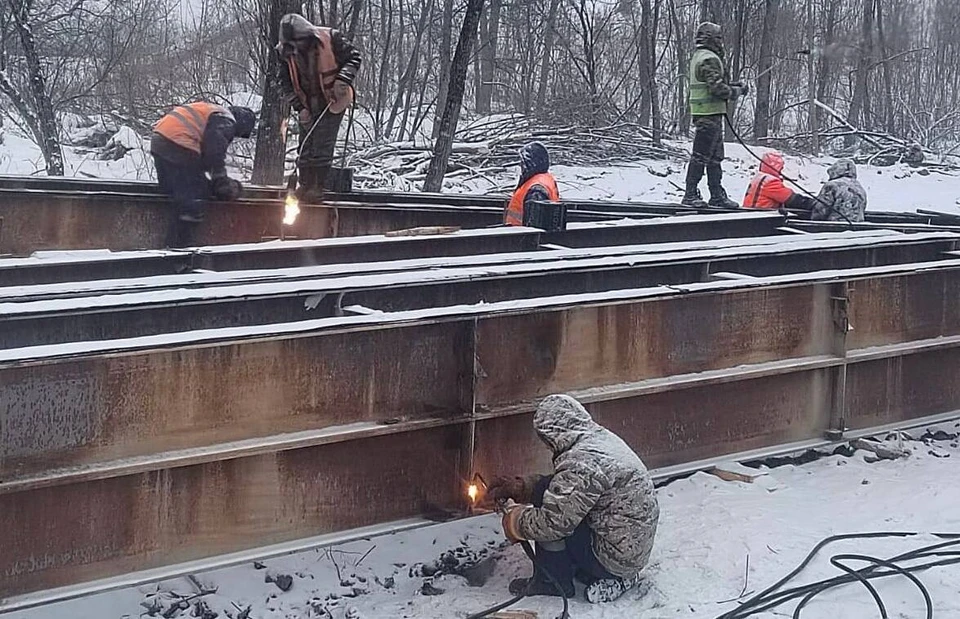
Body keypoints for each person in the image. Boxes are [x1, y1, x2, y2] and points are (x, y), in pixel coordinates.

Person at [488, 394, 659, 604]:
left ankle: (552, 582)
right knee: (546, 491)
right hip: (630, 550)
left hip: (613, 558)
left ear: (553, 434)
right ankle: (608, 572)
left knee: (550, 511)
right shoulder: (597, 439)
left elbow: (552, 523)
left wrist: (515, 521)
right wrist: (523, 487)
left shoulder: (582, 463)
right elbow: (570, 487)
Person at [277, 13, 362, 202]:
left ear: (305, 38)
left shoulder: (331, 38)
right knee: (306, 145)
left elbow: (354, 57)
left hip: (333, 100)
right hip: (307, 103)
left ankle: (317, 187)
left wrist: (343, 78)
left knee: (322, 144)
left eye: (297, 45)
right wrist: (300, 108)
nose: (295, 50)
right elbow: (284, 83)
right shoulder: (285, 52)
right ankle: (305, 185)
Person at [151, 102, 256, 248]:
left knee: (172, 189)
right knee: (195, 196)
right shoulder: (226, 120)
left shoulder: (211, 111)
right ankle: (180, 247)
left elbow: (205, 157)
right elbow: (214, 151)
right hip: (180, 143)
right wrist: (221, 180)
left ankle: (172, 243)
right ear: (242, 124)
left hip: (159, 140)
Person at [682, 22, 746, 209]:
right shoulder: (709, 58)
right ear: (710, 38)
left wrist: (733, 85)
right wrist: (737, 91)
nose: (720, 41)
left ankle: (717, 195)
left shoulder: (702, 56)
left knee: (714, 157)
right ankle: (690, 194)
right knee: (701, 156)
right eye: (718, 38)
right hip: (707, 115)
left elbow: (713, 82)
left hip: (711, 114)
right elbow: (717, 88)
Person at [504, 142, 560, 226]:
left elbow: (534, 225)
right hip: (517, 233)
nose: (521, 165)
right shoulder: (541, 179)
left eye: (523, 162)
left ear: (531, 163)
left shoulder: (536, 189)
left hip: (521, 235)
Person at [742, 151, 816, 212]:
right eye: (780, 167)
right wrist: (811, 203)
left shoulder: (759, 177)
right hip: (761, 218)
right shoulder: (769, 181)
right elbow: (789, 198)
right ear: (775, 166)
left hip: (752, 213)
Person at [811, 158, 867, 223]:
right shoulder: (860, 188)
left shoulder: (832, 185)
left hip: (833, 227)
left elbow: (820, 212)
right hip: (856, 227)